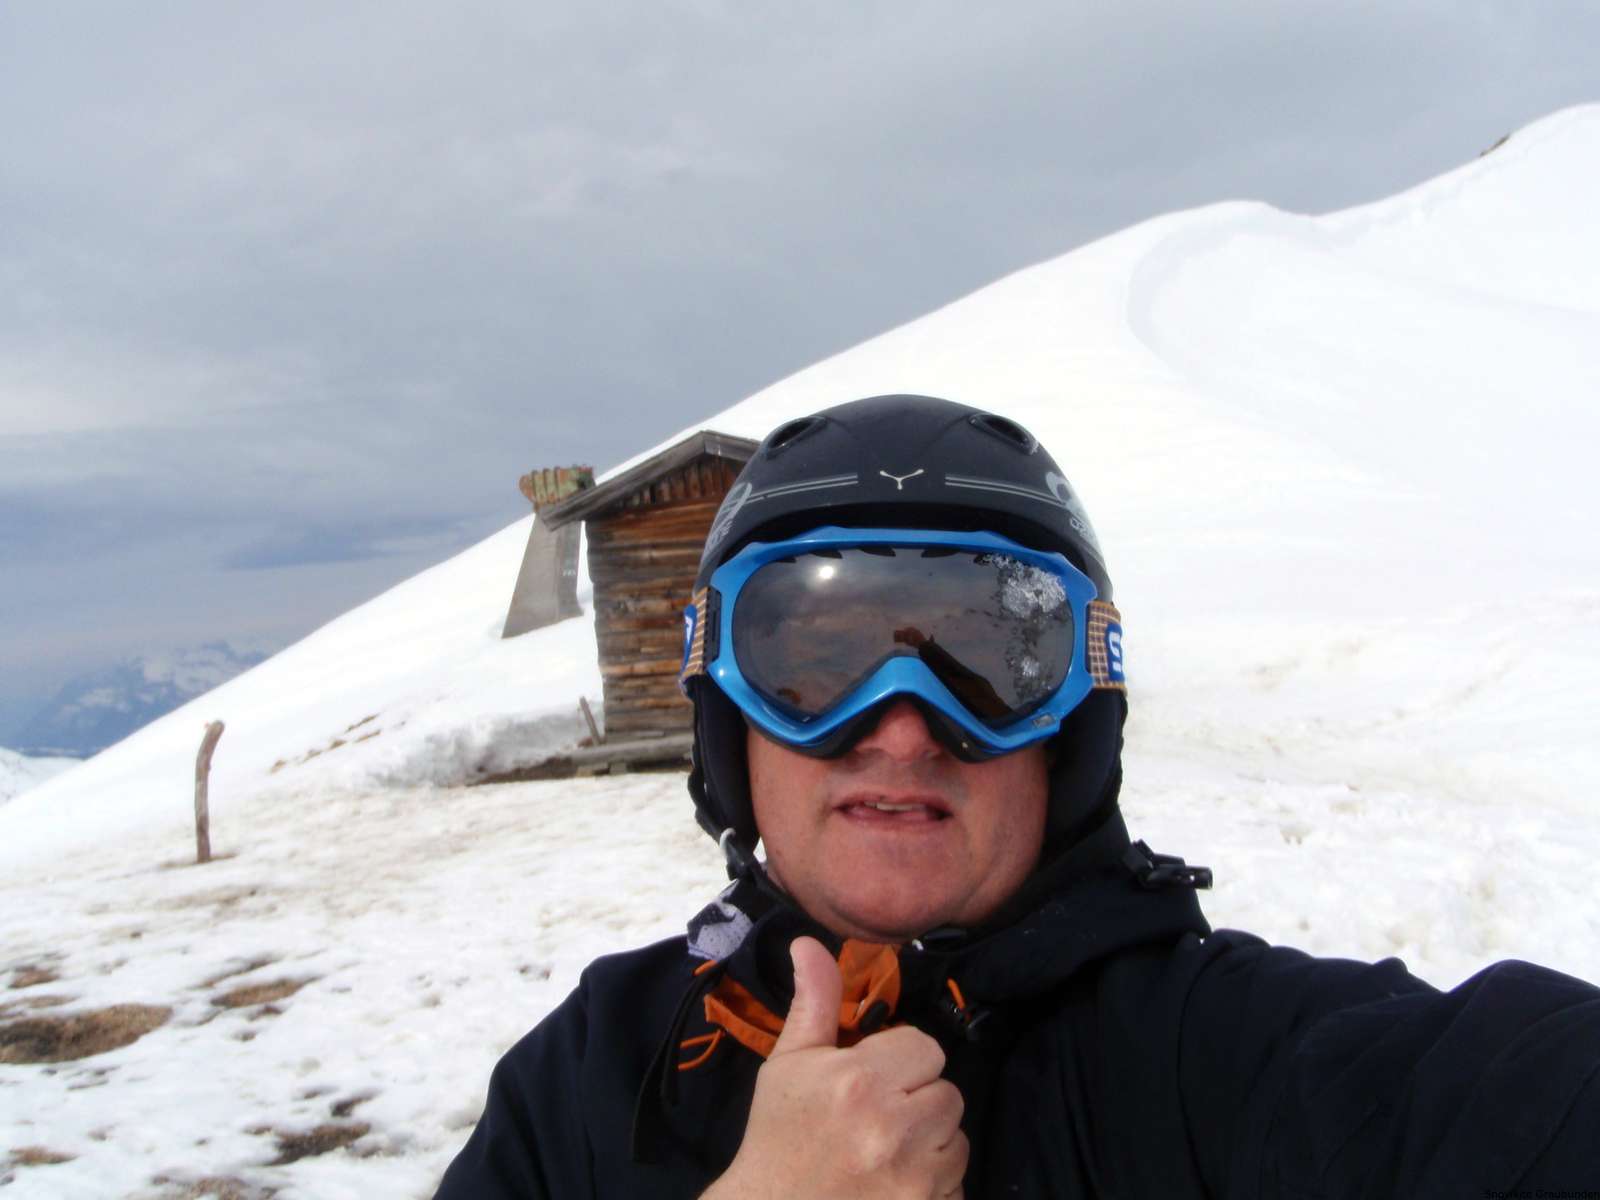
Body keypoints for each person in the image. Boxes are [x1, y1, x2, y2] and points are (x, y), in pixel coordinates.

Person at [435, 395, 1600, 1199]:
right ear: (725, 715)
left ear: (1072, 729)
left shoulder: (1222, 1059)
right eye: (815, 661)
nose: (900, 725)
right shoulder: (597, 1074)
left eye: (988, 661)